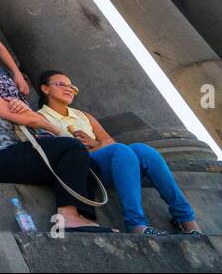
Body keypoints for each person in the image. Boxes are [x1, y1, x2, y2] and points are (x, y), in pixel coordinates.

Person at [36, 70, 203, 237]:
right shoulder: (39, 117)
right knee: (121, 150)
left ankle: (186, 219)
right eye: (61, 84)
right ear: (45, 89)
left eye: (71, 86)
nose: (69, 89)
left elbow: (109, 142)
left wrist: (94, 143)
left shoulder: (83, 116)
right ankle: (136, 224)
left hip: (106, 163)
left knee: (143, 150)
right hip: (80, 170)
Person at [0, 56, 109, 232]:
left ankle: (84, 219)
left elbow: (29, 117)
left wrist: (27, 112)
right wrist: (50, 126)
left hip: (8, 157)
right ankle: (67, 217)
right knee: (72, 146)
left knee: (90, 165)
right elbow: (30, 120)